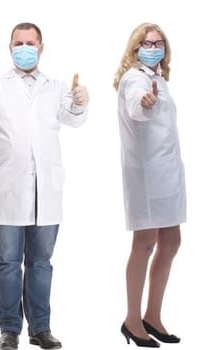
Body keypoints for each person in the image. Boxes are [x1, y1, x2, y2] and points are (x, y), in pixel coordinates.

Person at [0, 22, 88, 350]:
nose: (24, 48)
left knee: (41, 263)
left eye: (30, 42)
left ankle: (41, 329)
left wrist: (79, 100)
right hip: (7, 188)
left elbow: (76, 119)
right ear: (10, 48)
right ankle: (9, 330)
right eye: (18, 43)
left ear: (41, 47)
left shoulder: (56, 86)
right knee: (7, 263)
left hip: (46, 190)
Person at [113, 22, 183, 348]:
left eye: (158, 43)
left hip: (169, 174)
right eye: (146, 43)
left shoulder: (160, 80)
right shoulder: (134, 79)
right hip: (146, 175)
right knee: (144, 243)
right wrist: (145, 103)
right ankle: (131, 318)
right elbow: (136, 105)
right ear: (135, 47)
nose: (153, 48)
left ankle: (152, 315)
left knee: (171, 242)